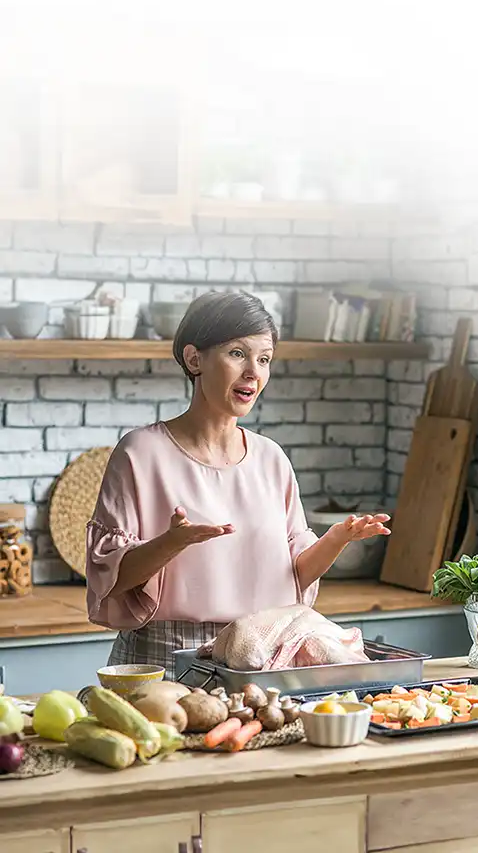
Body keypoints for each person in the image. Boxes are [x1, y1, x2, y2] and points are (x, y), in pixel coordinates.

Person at [85, 290, 390, 678]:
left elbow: (293, 575)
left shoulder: (271, 459)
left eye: (264, 359)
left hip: (260, 656)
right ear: (195, 359)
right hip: (164, 660)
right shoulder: (139, 453)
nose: (254, 372)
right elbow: (110, 577)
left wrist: (336, 540)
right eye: (237, 353)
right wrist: (171, 542)